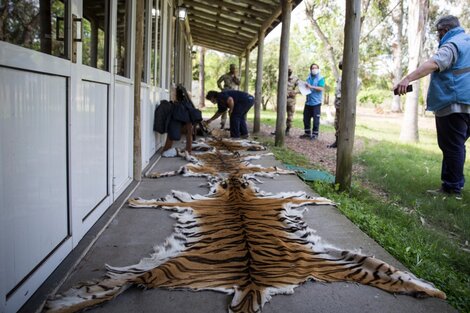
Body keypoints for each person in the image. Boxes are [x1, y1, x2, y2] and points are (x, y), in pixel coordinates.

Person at [394, 15, 470, 199]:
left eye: (438, 32)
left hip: (454, 103)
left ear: (443, 30)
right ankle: (452, 183)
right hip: (466, 103)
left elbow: (434, 63)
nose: (438, 36)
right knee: (456, 146)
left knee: (452, 146)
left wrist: (407, 78)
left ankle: (452, 189)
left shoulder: (453, 44)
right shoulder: (467, 41)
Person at [271, 65, 299, 136]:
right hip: (282, 100)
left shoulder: (295, 78)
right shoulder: (281, 77)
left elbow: (300, 88)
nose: (288, 72)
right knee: (280, 115)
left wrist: (295, 92)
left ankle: (287, 130)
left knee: (290, 116)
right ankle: (279, 130)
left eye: (289, 70)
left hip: (291, 100)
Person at [300, 63, 325, 140]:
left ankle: (315, 134)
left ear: (318, 69)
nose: (314, 69)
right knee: (306, 118)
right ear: (310, 69)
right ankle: (307, 133)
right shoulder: (308, 78)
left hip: (316, 102)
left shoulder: (321, 78)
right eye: (313, 68)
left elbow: (321, 88)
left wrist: (311, 87)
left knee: (315, 119)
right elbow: (307, 88)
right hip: (308, 102)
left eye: (316, 68)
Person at [216, 64, 241, 129]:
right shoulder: (225, 76)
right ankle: (223, 123)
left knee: (233, 109)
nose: (233, 69)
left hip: (233, 93)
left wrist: (234, 77)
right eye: (232, 68)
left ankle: (232, 125)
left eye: (234, 68)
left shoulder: (236, 76)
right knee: (224, 108)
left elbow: (238, 83)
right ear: (230, 68)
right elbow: (218, 82)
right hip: (226, 91)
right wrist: (221, 88)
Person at [328, 61, 343, 148]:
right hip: (338, 104)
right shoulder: (340, 78)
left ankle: (342, 142)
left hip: (344, 105)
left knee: (342, 124)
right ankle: (337, 141)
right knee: (337, 123)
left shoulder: (354, 79)